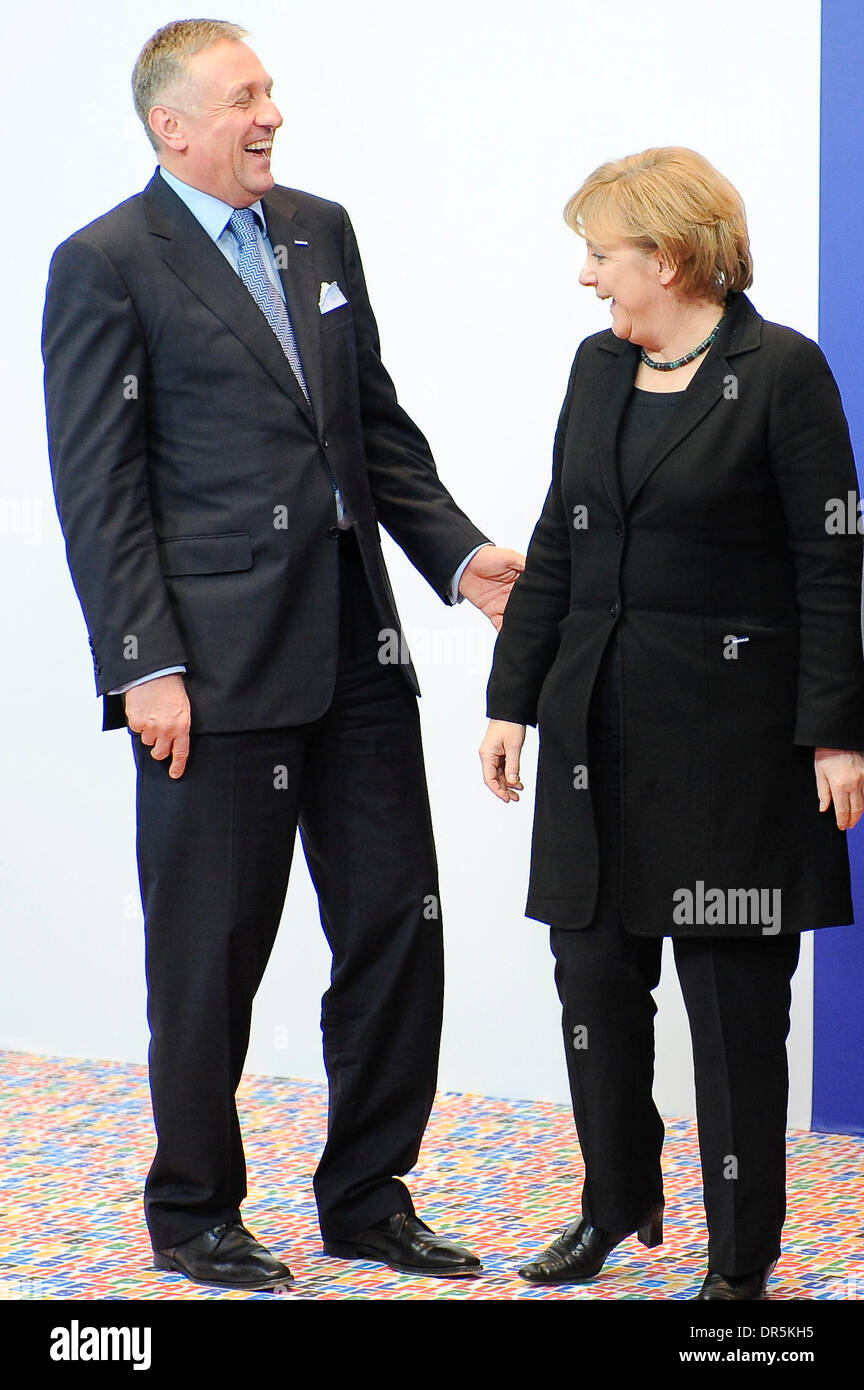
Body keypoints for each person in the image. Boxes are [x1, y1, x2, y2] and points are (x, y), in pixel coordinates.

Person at [42, 17, 524, 1292]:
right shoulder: (104, 263)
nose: (272, 116)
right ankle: (195, 1210)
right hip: (210, 675)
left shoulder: (321, 228)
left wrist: (460, 558)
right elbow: (99, 485)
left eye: (271, 94)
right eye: (245, 97)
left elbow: (370, 427)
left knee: (394, 927)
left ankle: (369, 1197)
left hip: (356, 649)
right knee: (211, 955)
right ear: (173, 126)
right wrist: (143, 663)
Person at [479, 147, 864, 1301]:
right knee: (594, 985)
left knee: (732, 1015)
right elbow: (560, 539)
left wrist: (838, 734)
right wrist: (510, 696)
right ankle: (615, 1200)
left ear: (672, 254)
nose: (587, 278)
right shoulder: (596, 368)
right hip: (595, 738)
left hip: (734, 754)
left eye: (601, 255)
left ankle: (739, 1266)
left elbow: (830, 564)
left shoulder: (782, 372)